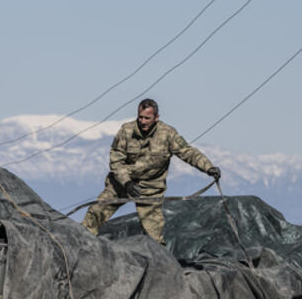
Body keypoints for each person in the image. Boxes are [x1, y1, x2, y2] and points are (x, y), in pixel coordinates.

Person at [82, 98, 220, 244]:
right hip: (121, 184)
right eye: (140, 117)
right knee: (95, 213)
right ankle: (80, 245)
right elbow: (116, 160)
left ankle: (159, 264)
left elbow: (188, 153)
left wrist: (208, 167)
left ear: (156, 118)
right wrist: (126, 182)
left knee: (154, 237)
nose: (142, 121)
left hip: (150, 189)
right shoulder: (126, 131)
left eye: (147, 118)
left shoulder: (168, 134)